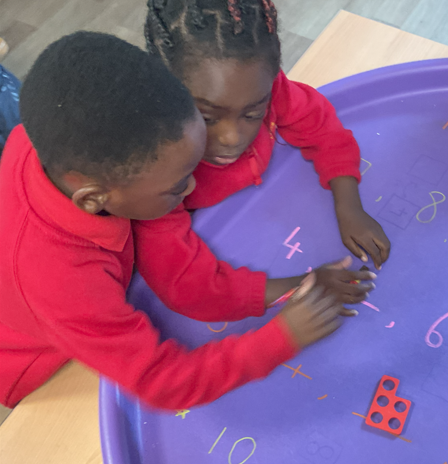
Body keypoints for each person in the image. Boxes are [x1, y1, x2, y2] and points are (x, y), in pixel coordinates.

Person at [0, 31, 353, 409]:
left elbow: (186, 277)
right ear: (93, 199)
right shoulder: (65, 285)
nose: (192, 188)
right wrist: (284, 335)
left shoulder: (61, 142)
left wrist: (295, 286)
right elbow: (163, 383)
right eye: (176, 187)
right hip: (37, 359)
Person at [136, 0, 390, 334]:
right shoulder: (148, 172)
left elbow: (320, 126)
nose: (232, 138)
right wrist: (304, 286)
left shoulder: (260, 87)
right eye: (207, 117)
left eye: (253, 113)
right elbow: (185, 285)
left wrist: (349, 204)